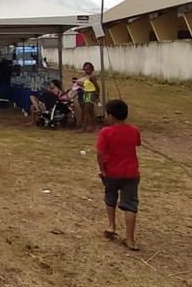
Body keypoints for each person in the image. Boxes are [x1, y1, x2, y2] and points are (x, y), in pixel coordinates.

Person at [95, 99, 141, 251]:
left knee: (110, 198)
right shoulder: (134, 130)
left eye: (107, 114)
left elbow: (100, 153)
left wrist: (102, 169)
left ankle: (111, 225)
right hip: (131, 173)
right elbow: (136, 144)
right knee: (130, 204)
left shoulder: (105, 132)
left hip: (112, 173)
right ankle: (130, 239)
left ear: (112, 117)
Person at [80, 62, 101, 133]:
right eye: (85, 69)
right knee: (91, 111)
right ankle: (93, 127)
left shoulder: (92, 77)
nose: (86, 71)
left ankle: (83, 128)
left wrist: (97, 96)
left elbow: (97, 87)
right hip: (86, 93)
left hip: (91, 94)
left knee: (86, 111)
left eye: (88, 69)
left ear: (92, 69)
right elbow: (86, 85)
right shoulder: (87, 76)